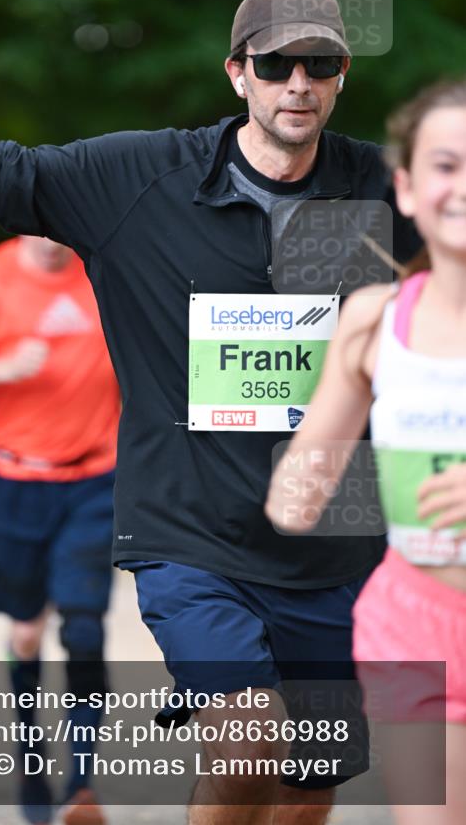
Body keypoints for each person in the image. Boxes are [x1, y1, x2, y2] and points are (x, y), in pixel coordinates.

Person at [0, 0, 422, 825]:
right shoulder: (142, 178)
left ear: (342, 74)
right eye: (276, 65)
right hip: (190, 532)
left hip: (337, 543)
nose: (298, 84)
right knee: (246, 744)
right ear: (237, 72)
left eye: (320, 64)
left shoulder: (388, 191)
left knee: (307, 786)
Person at [265, 80, 466, 825]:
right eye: (446, 165)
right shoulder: (372, 319)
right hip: (412, 618)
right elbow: (297, 496)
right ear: (407, 188)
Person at [0, 233, 120, 825]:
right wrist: (5, 366)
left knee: (85, 625)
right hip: (12, 479)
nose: (50, 236)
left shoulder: (104, 270)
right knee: (23, 632)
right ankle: (31, 754)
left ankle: (82, 783)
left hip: (95, 477)